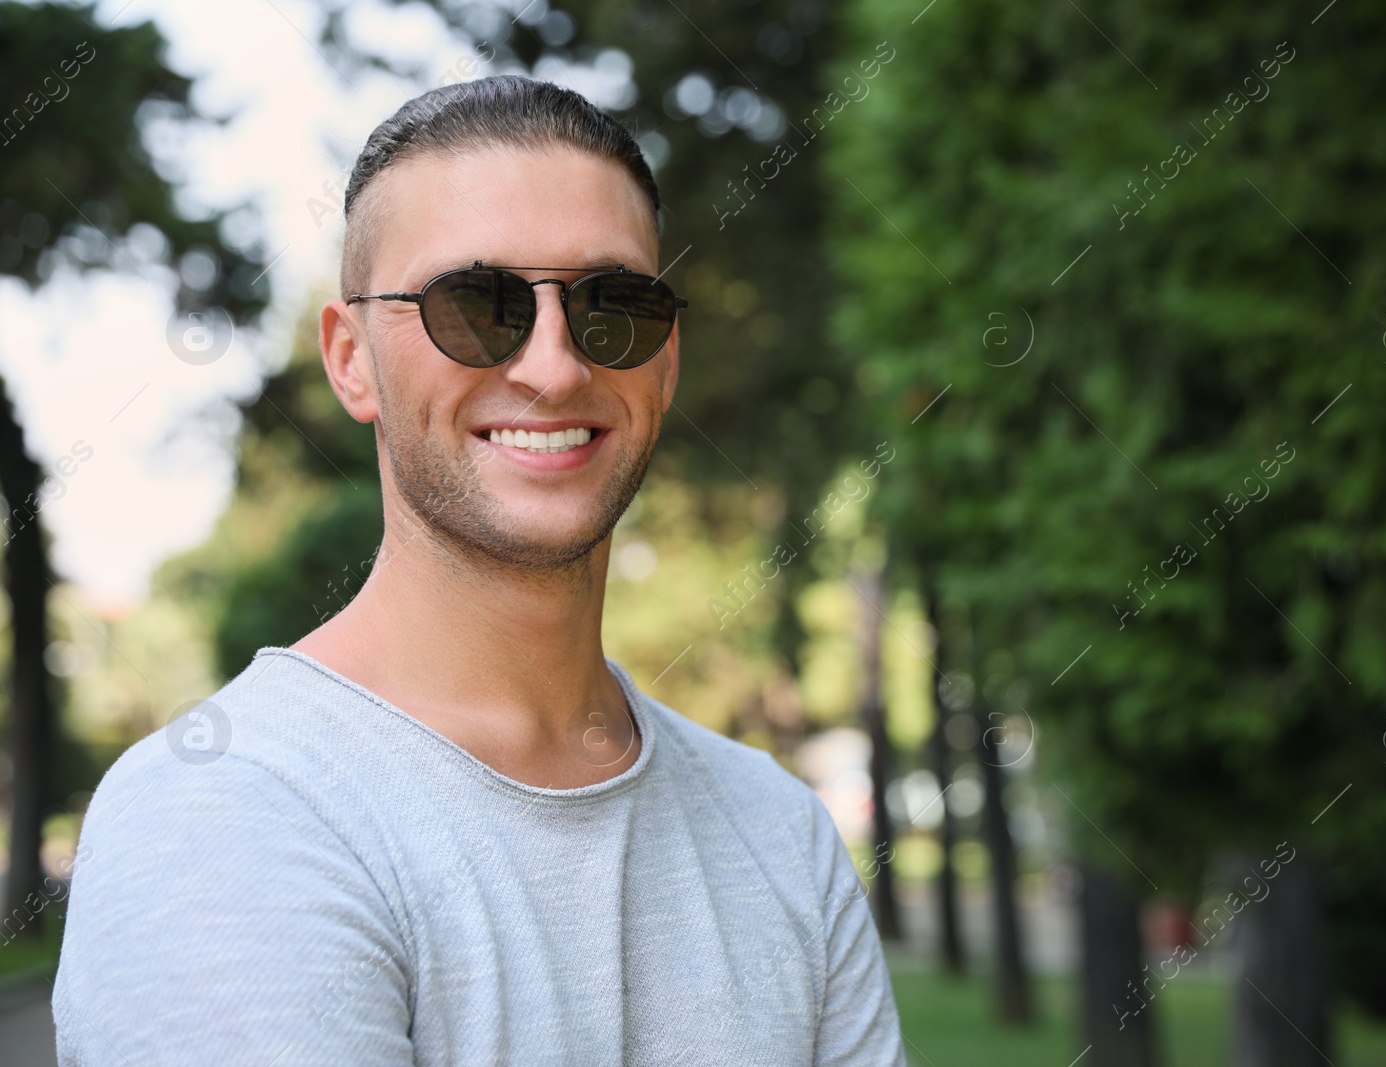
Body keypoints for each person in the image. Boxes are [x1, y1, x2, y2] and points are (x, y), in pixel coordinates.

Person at [53, 75, 905, 1066]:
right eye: (475, 303)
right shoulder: (222, 815)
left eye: (612, 305)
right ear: (351, 358)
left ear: (666, 360)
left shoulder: (778, 830)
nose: (553, 367)